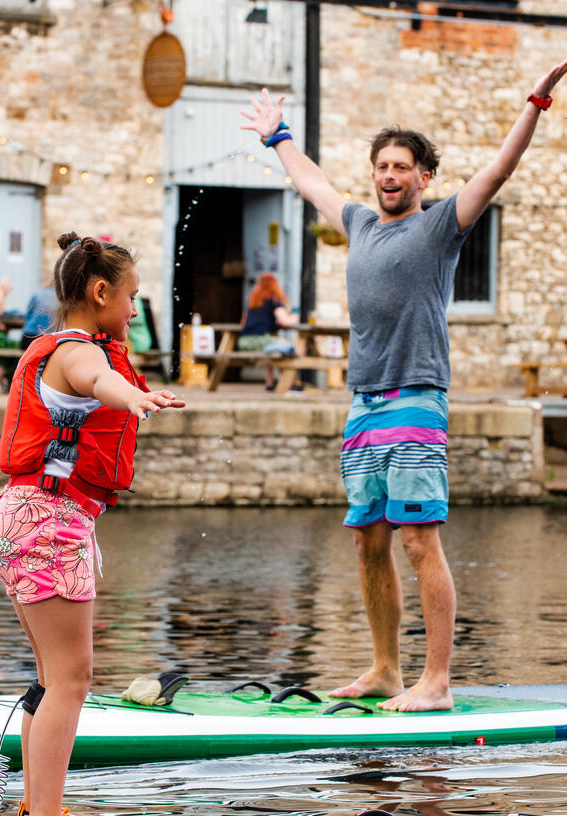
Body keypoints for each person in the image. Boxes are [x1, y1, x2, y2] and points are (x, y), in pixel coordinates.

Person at [242, 59, 567, 712]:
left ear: (424, 177)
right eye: (382, 166)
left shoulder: (440, 226)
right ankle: (388, 670)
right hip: (362, 403)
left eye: (402, 167)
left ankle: (437, 682)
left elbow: (499, 171)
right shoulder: (359, 223)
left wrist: (538, 99)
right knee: (368, 540)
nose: (390, 176)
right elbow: (311, 183)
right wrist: (278, 138)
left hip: (417, 398)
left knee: (420, 540)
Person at [0, 232, 185, 816]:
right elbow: (99, 381)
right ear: (100, 293)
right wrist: (137, 396)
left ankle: (37, 807)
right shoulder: (76, 352)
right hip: (46, 522)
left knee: (53, 677)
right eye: (130, 297)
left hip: (28, 517)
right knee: (73, 676)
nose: (134, 309)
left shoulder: (62, 346)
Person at [238, 272, 298, 390]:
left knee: (271, 350)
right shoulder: (273, 299)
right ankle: (291, 383)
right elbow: (285, 321)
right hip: (260, 339)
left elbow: (243, 322)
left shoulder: (253, 300)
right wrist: (295, 316)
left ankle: (269, 383)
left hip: (243, 341)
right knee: (292, 347)